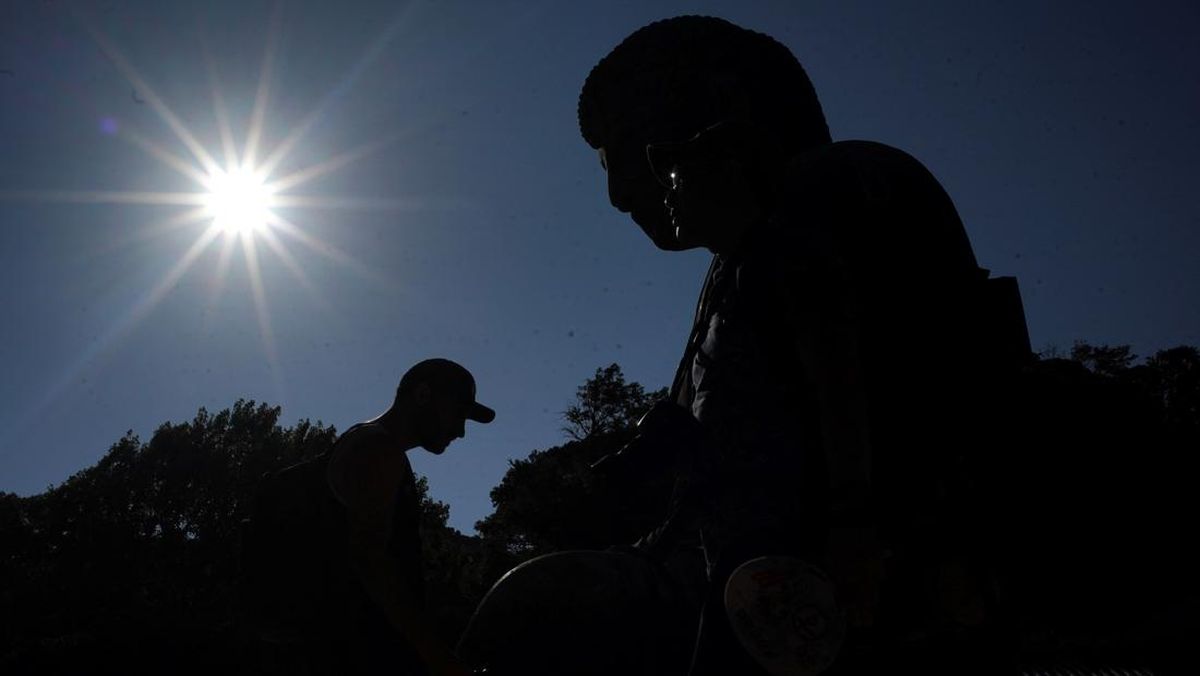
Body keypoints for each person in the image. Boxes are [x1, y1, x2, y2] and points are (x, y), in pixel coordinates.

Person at [578, 16, 1029, 674]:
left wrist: (859, 521)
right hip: (765, 577)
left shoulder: (824, 196)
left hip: (850, 578)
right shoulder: (739, 263)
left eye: (636, 150)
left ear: (726, 112)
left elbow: (866, 382)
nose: (621, 192)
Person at [320, 358, 495, 676]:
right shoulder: (379, 451)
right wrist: (443, 663)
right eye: (457, 414)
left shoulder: (367, 442)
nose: (460, 431)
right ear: (423, 395)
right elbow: (370, 563)